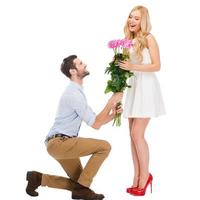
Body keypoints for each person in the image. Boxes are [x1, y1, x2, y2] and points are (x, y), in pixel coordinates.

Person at [25, 55, 123, 200]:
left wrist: (112, 116)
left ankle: (38, 178)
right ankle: (82, 190)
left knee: (79, 183)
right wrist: (110, 102)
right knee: (104, 147)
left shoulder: (78, 93)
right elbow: (95, 124)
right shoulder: (73, 94)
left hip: (59, 143)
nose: (85, 64)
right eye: (81, 63)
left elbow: (96, 121)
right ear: (72, 71)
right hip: (60, 143)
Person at [118, 5, 165, 196]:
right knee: (131, 135)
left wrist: (132, 66)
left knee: (138, 134)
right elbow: (127, 67)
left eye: (136, 18)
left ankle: (145, 177)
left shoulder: (149, 38)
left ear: (143, 21)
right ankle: (136, 176)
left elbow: (157, 66)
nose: (132, 21)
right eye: (130, 17)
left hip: (146, 89)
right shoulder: (128, 40)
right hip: (133, 88)